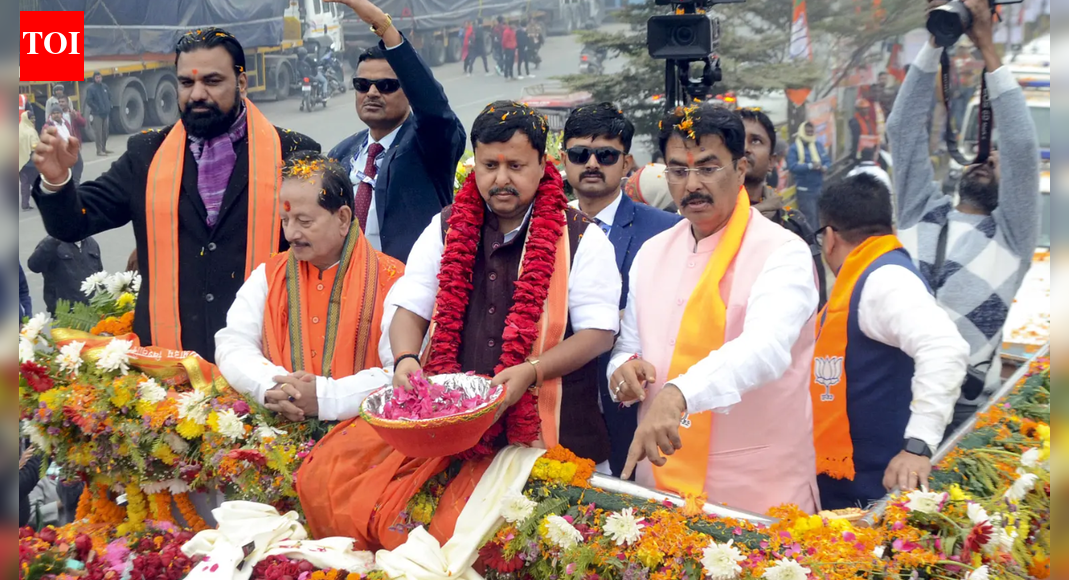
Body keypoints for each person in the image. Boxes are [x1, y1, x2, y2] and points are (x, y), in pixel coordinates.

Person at [298, 101, 622, 547]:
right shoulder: (447, 227)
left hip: (553, 438)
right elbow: (412, 305)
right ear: (475, 164)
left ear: (543, 166)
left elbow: (599, 333)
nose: (501, 178)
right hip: (455, 439)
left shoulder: (582, 236)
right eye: (490, 165)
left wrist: (533, 370)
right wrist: (407, 359)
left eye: (515, 165)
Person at [32, 27, 319, 362]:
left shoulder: (294, 153)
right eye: (186, 83)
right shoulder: (147, 154)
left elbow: (325, 253)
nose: (197, 94)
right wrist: (56, 181)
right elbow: (72, 224)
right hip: (168, 371)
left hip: (268, 366)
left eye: (212, 81)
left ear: (242, 84)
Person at [608, 104, 820, 514]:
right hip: (663, 487)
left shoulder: (782, 252)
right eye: (678, 170)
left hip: (756, 495)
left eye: (708, 168)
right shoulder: (652, 253)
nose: (692, 186)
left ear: (741, 169)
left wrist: (679, 393)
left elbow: (766, 348)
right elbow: (629, 343)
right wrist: (623, 369)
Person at [889, 0, 1040, 439]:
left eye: (997, 161)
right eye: (986, 155)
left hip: (965, 410)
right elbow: (903, 129)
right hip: (897, 391)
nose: (990, 160)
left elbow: (1021, 151)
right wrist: (936, 42)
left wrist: (988, 49)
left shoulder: (1011, 236)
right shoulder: (922, 210)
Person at [811, 173, 968, 509]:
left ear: (829, 237)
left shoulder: (885, 279)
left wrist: (917, 446)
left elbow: (945, 349)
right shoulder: (871, 273)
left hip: (877, 490)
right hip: (854, 484)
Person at [216, 152, 404, 423]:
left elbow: (400, 372)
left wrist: (325, 398)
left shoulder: (392, 280)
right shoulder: (268, 276)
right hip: (277, 431)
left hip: (366, 436)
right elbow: (232, 342)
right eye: (285, 220)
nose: (291, 234)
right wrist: (272, 387)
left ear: (342, 218)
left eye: (304, 222)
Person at [563, 103, 680, 477]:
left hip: (638, 396)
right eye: (581, 154)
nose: (592, 164)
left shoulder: (666, 230)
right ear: (564, 160)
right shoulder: (546, 227)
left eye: (606, 155)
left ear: (626, 163)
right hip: (565, 404)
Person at [327, 0, 466, 263]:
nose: (372, 93)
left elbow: (433, 106)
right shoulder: (342, 153)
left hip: (409, 291)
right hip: (347, 291)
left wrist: (381, 24)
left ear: (408, 91)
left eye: (387, 85)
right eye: (362, 84)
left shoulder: (428, 144)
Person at [741, 108, 826, 309]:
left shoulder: (793, 227)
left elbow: (816, 303)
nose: (744, 148)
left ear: (772, 161)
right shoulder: (698, 223)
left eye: (756, 141)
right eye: (736, 139)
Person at [27, 235, 104, 315]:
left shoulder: (92, 243)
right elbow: (34, 266)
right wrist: (53, 240)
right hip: (64, 315)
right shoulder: (52, 242)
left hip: (91, 314)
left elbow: (99, 275)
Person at [786, 121, 830, 228]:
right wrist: (810, 166)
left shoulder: (818, 145)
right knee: (809, 218)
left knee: (820, 217)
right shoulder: (794, 148)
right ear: (802, 131)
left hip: (818, 187)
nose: (810, 133)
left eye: (811, 131)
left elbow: (827, 160)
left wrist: (825, 167)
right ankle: (811, 243)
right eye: (807, 131)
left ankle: (818, 240)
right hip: (805, 189)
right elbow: (792, 167)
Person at [57, 97, 87, 183]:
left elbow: (84, 123)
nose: (61, 103)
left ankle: (75, 182)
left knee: (79, 164)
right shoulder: (56, 115)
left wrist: (76, 117)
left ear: (67, 103)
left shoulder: (73, 113)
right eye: (59, 102)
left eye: (63, 101)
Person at [84, 72, 113, 156]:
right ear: (94, 78)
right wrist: (96, 108)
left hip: (106, 113)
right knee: (98, 133)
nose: (98, 79)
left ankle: (104, 148)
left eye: (99, 77)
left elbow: (109, 96)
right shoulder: (91, 88)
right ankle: (99, 150)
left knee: (105, 132)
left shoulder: (105, 86)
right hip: (97, 114)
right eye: (97, 77)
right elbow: (89, 101)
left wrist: (109, 105)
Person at [19, 107, 39, 211]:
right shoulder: (31, 131)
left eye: (34, 118)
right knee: (36, 183)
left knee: (24, 183)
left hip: (20, 162)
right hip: (30, 162)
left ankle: (25, 204)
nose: (34, 120)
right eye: (31, 118)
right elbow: (34, 146)